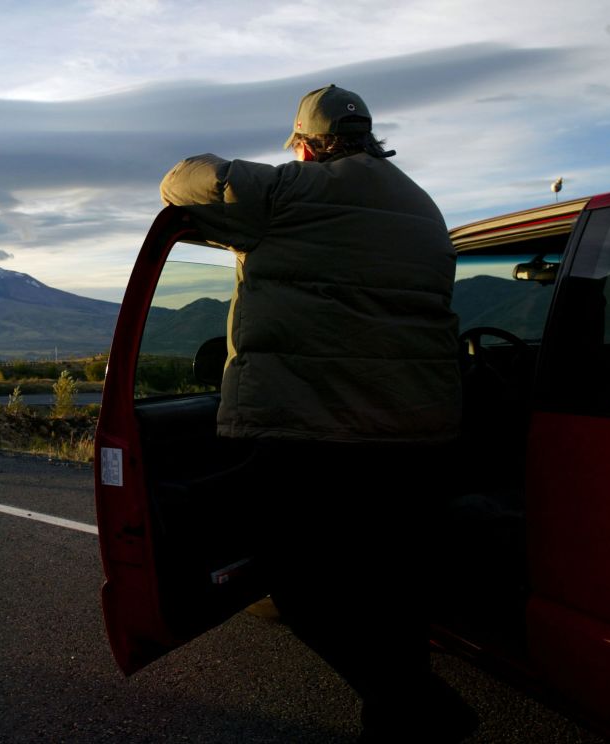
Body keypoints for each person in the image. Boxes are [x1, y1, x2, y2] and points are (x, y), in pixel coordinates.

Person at [159, 85, 475, 743]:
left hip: (319, 432)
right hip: (422, 434)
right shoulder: (423, 207)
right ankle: (399, 715)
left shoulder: (286, 195)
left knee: (298, 588)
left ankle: (414, 705)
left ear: (306, 144)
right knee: (394, 595)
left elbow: (183, 181)